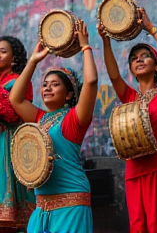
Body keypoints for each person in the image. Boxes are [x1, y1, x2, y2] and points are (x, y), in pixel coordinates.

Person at [98, 8, 157, 233]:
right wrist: (106, 42)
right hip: (136, 173)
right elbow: (112, 76)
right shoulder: (130, 97)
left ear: (156, 66)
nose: (138, 60)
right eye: (133, 59)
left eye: (145, 56)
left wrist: (151, 29)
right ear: (131, 69)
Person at [9, 20, 98, 233]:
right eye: (45, 85)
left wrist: (85, 46)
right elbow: (15, 99)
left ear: (68, 94)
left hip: (71, 202)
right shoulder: (40, 118)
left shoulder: (74, 119)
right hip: (42, 205)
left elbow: (92, 82)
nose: (48, 88)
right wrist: (33, 60)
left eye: (55, 84)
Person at [0, 36, 35, 233]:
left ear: (14, 59)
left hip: (9, 145)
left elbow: (13, 113)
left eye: (3, 51)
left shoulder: (17, 82)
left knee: (15, 221)